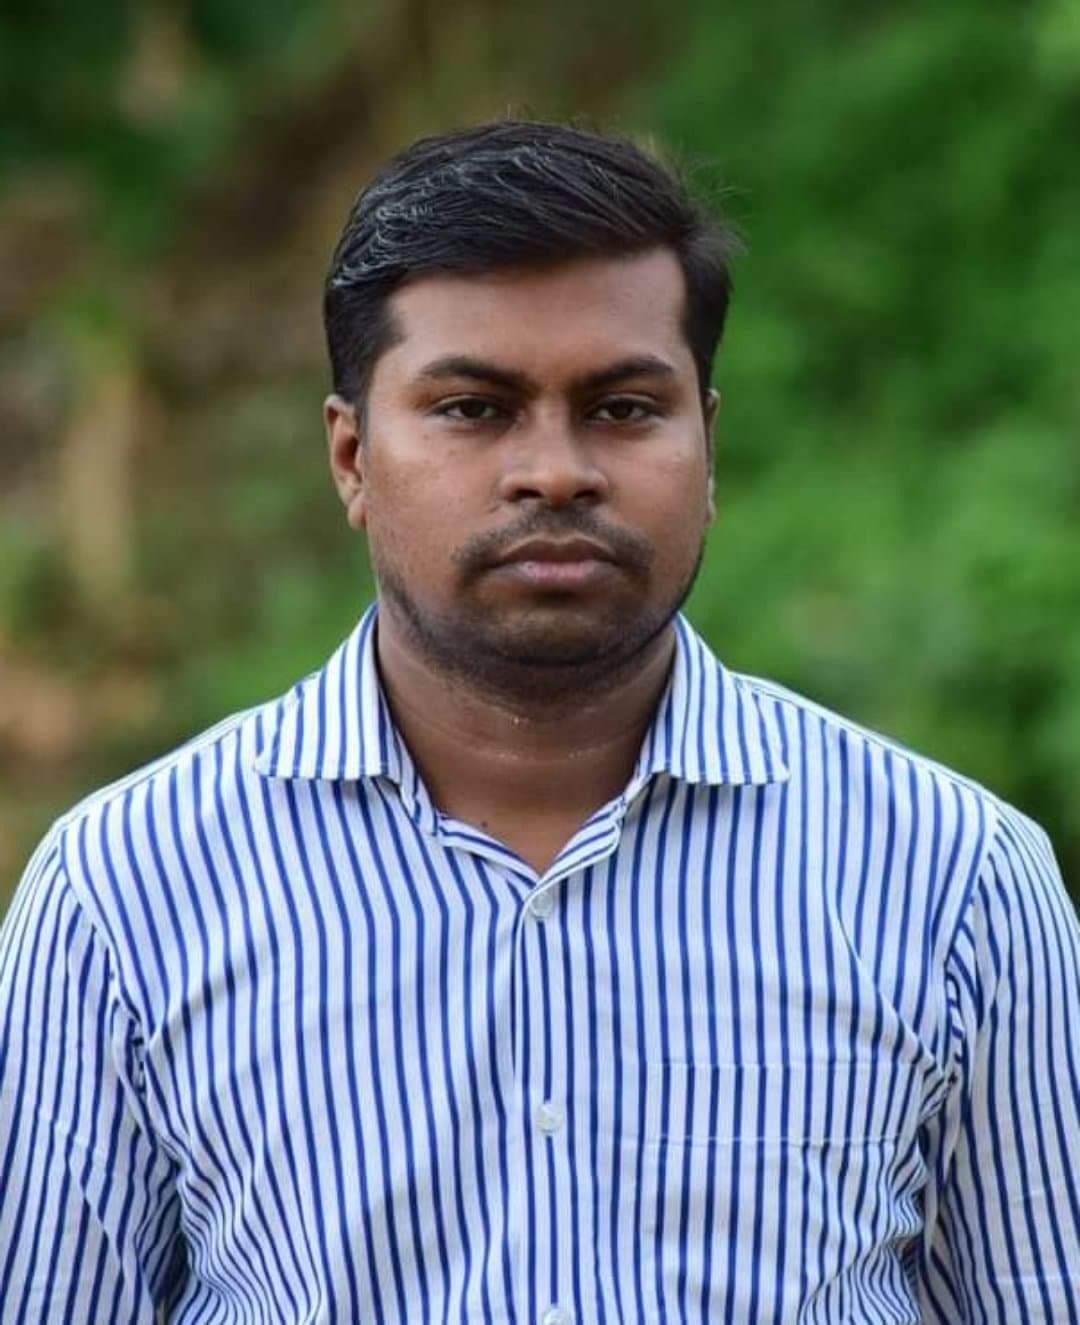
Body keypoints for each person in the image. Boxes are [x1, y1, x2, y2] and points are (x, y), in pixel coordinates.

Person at [1, 119, 1078, 1325]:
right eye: (474, 407)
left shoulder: (953, 882)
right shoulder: (126, 895)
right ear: (351, 457)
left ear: (709, 445)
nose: (556, 471)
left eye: (623, 407)